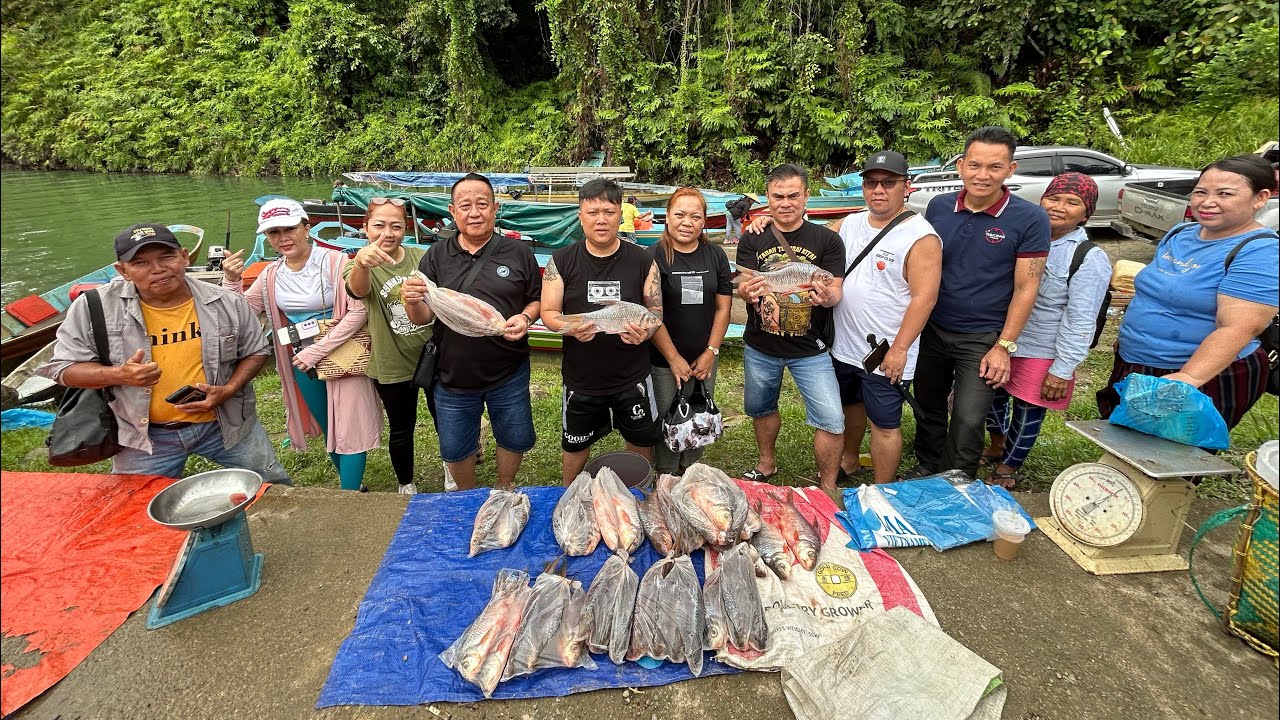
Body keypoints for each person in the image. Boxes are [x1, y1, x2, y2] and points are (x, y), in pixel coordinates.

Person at [38, 223, 289, 483]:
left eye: (166, 257)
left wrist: (227, 390)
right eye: (140, 263)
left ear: (184, 256)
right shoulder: (94, 308)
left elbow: (256, 351)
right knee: (133, 513)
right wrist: (119, 375)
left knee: (274, 487)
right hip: (143, 436)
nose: (157, 269)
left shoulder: (226, 301)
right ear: (122, 271)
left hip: (225, 423)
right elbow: (64, 368)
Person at [906, 126, 1050, 480]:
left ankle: (958, 479)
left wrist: (1004, 345)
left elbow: (1027, 287)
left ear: (1010, 171)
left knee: (970, 415)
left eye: (994, 167)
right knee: (928, 404)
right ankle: (927, 466)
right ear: (960, 165)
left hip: (983, 336)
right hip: (933, 328)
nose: (982, 175)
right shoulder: (939, 207)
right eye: (974, 165)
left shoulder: (1030, 219)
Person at [1097, 154, 1278, 429]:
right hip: (1138, 362)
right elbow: (1156, 291)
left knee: (1169, 459)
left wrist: (1188, 379)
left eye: (1225, 194)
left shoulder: (1260, 251)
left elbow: (1239, 328)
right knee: (1122, 440)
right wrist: (1131, 339)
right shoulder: (1180, 233)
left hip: (1198, 374)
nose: (1207, 202)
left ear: (1260, 197)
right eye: (1200, 192)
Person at [221, 199, 382, 491]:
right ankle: (355, 489)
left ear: (306, 228)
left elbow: (359, 311)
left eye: (290, 229)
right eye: (273, 233)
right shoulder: (271, 274)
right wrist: (232, 281)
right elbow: (241, 312)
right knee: (331, 429)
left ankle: (349, 499)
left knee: (350, 431)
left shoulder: (336, 263)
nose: (282, 238)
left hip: (343, 356)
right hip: (301, 362)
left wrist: (316, 351)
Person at [401, 174, 542, 490]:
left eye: (482, 204)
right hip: (453, 374)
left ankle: (505, 487)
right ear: (453, 211)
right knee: (455, 446)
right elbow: (422, 317)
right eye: (466, 206)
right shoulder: (436, 256)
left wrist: (525, 317)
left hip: (509, 369)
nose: (474, 212)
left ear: (495, 208)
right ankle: (467, 497)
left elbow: (535, 298)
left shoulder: (518, 253)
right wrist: (411, 301)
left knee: (514, 436)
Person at [981, 173, 1111, 488]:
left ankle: (1009, 467)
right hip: (1002, 339)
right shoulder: (1022, 235)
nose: (1059, 207)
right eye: (1053, 198)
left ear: (1086, 212)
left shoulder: (1088, 258)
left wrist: (1063, 368)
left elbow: (1081, 317)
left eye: (1072, 202)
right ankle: (998, 444)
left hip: (1043, 347)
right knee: (989, 398)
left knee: (1028, 411)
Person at [828, 151, 942, 485]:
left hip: (885, 349)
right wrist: (767, 223)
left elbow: (925, 297)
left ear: (906, 186)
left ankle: (882, 489)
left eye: (889, 183)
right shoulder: (850, 223)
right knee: (851, 406)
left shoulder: (920, 236)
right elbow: (811, 239)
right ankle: (849, 460)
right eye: (871, 182)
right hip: (846, 344)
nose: (879, 190)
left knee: (885, 423)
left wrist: (900, 349)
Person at [541, 179, 664, 485]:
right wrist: (571, 329)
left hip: (632, 375)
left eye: (609, 211)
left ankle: (641, 491)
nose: (601, 219)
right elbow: (548, 314)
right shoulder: (561, 260)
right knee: (575, 445)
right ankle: (570, 495)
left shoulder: (642, 259)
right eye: (592, 211)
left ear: (619, 214)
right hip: (582, 377)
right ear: (580, 215)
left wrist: (645, 334)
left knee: (640, 440)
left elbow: (656, 313)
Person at [736, 163, 846, 491]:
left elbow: (835, 291)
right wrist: (746, 290)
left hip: (810, 349)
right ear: (767, 198)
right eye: (778, 196)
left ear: (806, 196)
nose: (785, 203)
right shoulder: (753, 236)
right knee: (761, 408)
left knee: (831, 418)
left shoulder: (827, 240)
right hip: (761, 346)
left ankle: (828, 485)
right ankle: (766, 464)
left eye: (793, 196)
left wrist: (826, 296)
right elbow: (743, 284)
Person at [344, 197, 432, 494]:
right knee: (401, 427)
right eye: (379, 225)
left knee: (445, 420)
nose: (387, 233)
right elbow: (358, 290)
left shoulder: (422, 257)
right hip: (391, 361)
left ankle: (452, 469)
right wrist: (361, 263)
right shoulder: (357, 263)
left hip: (433, 356)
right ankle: (406, 483)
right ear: (366, 228)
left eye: (396, 226)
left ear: (405, 229)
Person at [648, 187, 733, 475]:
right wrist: (672, 358)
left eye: (695, 216)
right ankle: (665, 474)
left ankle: (690, 472)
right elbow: (653, 314)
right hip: (663, 360)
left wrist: (711, 351)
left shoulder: (716, 256)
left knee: (699, 414)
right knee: (668, 416)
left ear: (704, 221)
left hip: (704, 358)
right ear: (667, 217)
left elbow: (723, 308)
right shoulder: (654, 256)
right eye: (680, 214)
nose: (687, 222)